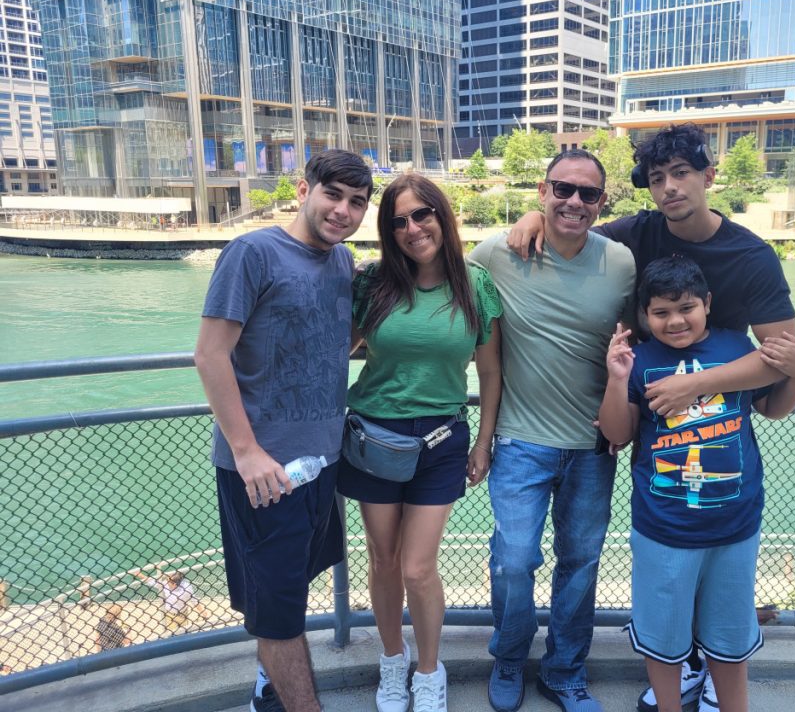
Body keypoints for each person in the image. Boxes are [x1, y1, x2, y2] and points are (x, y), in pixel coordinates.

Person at [508, 123, 795, 711]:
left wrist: (695, 385)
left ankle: (709, 668)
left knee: (720, 584)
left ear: (709, 176)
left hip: (715, 412)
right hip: (644, 421)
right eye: (659, 178)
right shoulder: (637, 233)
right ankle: (682, 666)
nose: (669, 188)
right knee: (665, 580)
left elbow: (781, 362)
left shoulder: (750, 256)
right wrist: (534, 219)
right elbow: (574, 220)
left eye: (682, 174)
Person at [195, 149, 372, 712]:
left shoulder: (343, 262)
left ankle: (267, 688)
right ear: (304, 189)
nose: (343, 211)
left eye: (357, 202)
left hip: (321, 461)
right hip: (264, 471)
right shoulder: (252, 253)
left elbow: (327, 345)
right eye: (333, 195)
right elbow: (210, 355)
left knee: (286, 589)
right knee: (278, 613)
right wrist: (246, 452)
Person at [599, 256, 795, 712]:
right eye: (660, 312)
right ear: (644, 314)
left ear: (708, 304)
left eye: (686, 308)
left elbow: (774, 408)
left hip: (735, 525)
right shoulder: (640, 360)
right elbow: (617, 434)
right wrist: (616, 380)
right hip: (663, 528)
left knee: (730, 639)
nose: (675, 321)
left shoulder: (738, 347)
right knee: (662, 638)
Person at [468, 150, 635, 712]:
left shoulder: (621, 262)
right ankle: (510, 657)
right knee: (514, 558)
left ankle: (564, 670)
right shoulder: (497, 252)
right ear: (542, 190)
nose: (574, 202)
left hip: (594, 443)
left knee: (580, 561)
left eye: (588, 194)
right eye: (563, 189)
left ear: (602, 202)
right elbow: (439, 284)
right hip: (519, 440)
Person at [336, 173, 503, 712]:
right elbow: (336, 349)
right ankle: (392, 661)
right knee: (383, 561)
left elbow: (492, 370)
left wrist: (484, 441)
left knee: (417, 567)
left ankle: (429, 670)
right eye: (399, 220)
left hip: (441, 439)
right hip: (373, 435)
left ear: (442, 216)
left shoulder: (474, 284)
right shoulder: (373, 283)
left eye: (422, 215)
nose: (412, 228)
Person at [131, 569, 209, 633]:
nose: (166, 582)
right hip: (170, 615)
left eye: (169, 581)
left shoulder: (187, 587)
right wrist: (139, 574)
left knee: (184, 633)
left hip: (183, 614)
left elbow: (194, 600)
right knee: (172, 633)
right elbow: (151, 581)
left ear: (174, 584)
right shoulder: (165, 584)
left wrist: (202, 611)